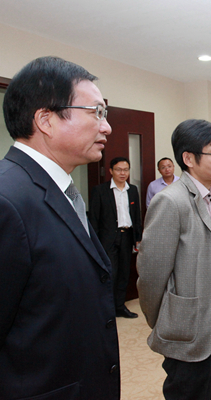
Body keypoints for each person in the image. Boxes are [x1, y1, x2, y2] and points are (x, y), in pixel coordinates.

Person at [0, 56, 120, 399]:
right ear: (46, 120)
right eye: (97, 112)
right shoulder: (7, 200)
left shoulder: (59, 190)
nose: (107, 127)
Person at [137, 119, 211, 400]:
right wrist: (167, 321)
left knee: (207, 391)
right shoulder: (170, 201)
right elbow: (151, 275)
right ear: (189, 159)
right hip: (186, 324)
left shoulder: (209, 194)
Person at [89, 156, 143, 318]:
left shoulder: (132, 190)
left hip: (127, 236)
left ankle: (120, 306)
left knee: (124, 273)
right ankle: (107, 309)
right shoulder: (100, 190)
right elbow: (94, 218)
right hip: (107, 238)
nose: (122, 173)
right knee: (110, 273)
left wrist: (138, 237)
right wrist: (95, 242)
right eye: (119, 170)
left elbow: (136, 215)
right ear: (111, 171)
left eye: (126, 170)